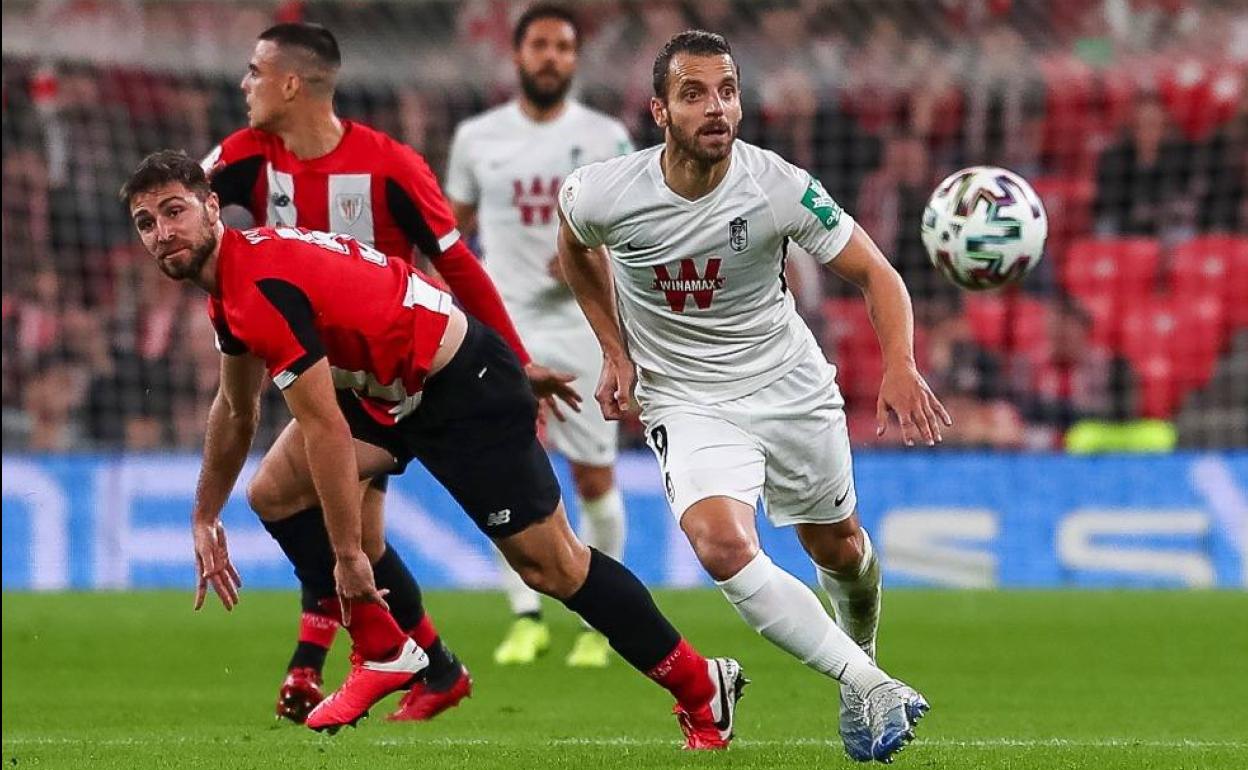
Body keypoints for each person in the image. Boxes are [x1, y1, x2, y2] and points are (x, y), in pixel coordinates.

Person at [122, 150, 748, 747]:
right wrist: (205, 514)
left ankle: (702, 687)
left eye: (174, 211)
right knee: (276, 495)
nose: (161, 232)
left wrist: (347, 557)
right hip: (387, 389)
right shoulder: (229, 291)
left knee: (552, 566)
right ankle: (391, 648)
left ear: (211, 207)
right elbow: (235, 409)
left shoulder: (256, 287)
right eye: (146, 223)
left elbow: (324, 430)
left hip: (462, 386)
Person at [556, 31, 948, 763]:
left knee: (839, 548)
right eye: (695, 93)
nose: (716, 108)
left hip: (788, 387)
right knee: (721, 543)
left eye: (727, 91)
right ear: (659, 111)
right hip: (685, 399)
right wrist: (614, 348)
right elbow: (574, 248)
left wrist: (899, 362)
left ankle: (859, 659)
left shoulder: (780, 187)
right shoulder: (601, 192)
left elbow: (878, 275)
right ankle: (869, 680)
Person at [201, 22, 558, 722]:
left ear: (291, 83)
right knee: (343, 527)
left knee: (316, 511)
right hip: (321, 374)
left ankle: (359, 659)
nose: (244, 84)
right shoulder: (243, 159)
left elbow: (458, 266)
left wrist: (515, 361)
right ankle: (423, 665)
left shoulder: (391, 165)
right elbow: (180, 191)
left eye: (254, 71)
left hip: (400, 371)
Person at [445, 4, 633, 669]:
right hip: (502, 325)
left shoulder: (608, 136)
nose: (551, 56)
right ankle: (525, 618)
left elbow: (634, 228)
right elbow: (449, 231)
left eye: (563, 47)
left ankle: (601, 624)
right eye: (540, 46)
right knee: (502, 465)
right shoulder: (478, 138)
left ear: (575, 59)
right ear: (517, 55)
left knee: (593, 473)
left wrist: (591, 251)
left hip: (583, 322)